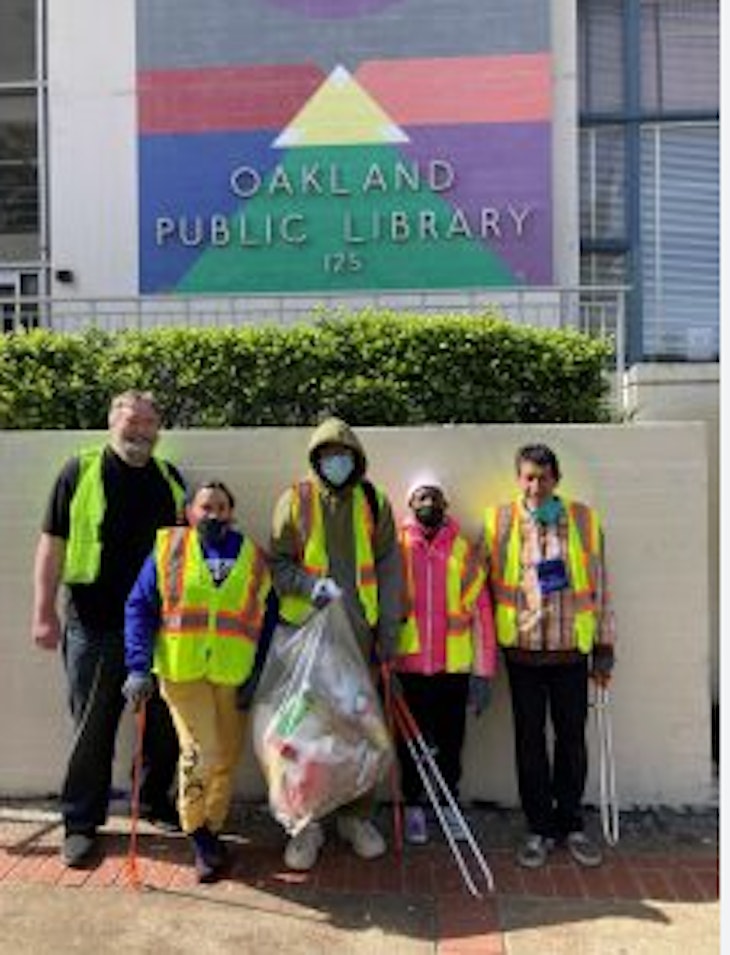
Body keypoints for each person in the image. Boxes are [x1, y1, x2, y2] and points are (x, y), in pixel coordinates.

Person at [31, 390, 185, 868]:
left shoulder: (170, 479)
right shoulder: (79, 471)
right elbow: (51, 544)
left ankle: (156, 802)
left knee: (163, 727)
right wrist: (43, 611)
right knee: (92, 728)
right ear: (112, 423)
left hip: (160, 628)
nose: (140, 431)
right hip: (93, 624)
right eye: (131, 421)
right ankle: (80, 821)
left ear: (158, 428)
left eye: (148, 423)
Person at [269, 415, 402, 871]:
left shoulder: (372, 501)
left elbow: (389, 569)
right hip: (308, 642)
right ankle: (307, 825)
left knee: (359, 730)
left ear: (356, 459)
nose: (336, 463)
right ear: (315, 459)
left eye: (343, 456)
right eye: (327, 456)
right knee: (305, 735)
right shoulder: (294, 500)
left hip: (360, 642)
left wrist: (388, 634)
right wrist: (310, 587)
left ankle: (357, 819)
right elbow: (278, 566)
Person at [123, 480, 271, 883]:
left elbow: (267, 616)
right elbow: (139, 606)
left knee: (226, 757)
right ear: (189, 512)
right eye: (206, 507)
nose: (214, 514)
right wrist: (137, 667)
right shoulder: (168, 550)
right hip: (182, 671)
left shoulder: (253, 556)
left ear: (231, 512)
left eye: (222, 507)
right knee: (200, 752)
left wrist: (259, 670)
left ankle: (213, 827)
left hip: (233, 673)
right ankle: (197, 832)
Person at [483, 443, 615, 869]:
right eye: (528, 477)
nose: (535, 485)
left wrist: (605, 647)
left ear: (556, 478)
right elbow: (482, 590)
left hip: (570, 654)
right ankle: (538, 829)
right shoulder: (500, 520)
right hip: (521, 653)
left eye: (543, 477)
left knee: (572, 742)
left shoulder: (583, 519)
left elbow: (600, 586)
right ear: (518, 479)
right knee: (529, 743)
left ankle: (570, 824)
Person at [395, 475, 497, 845]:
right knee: (409, 744)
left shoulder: (464, 552)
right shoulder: (396, 548)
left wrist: (483, 673)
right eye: (421, 497)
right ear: (410, 504)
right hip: (408, 670)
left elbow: (482, 615)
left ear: (446, 505)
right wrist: (382, 663)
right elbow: (384, 609)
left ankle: (448, 800)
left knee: (451, 741)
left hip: (452, 670)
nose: (428, 504)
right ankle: (414, 806)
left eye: (435, 497)